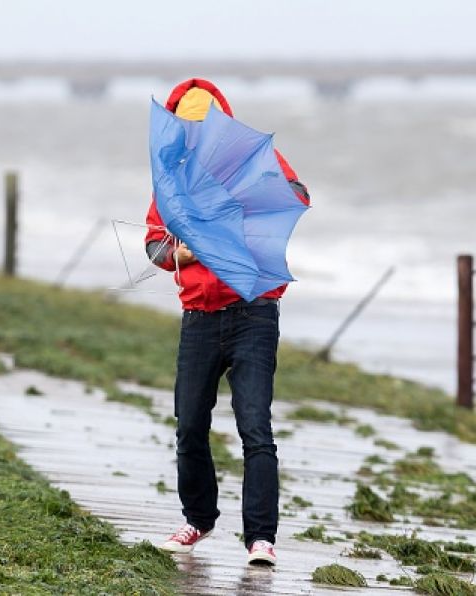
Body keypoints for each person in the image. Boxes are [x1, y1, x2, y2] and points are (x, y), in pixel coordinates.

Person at [144, 78, 310, 566]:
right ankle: (198, 520)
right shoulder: (170, 178)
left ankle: (261, 538)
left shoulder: (252, 162)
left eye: (206, 126)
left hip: (255, 312)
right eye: (188, 127)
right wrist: (187, 249)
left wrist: (246, 201)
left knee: (255, 426)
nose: (197, 136)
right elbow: (155, 246)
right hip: (198, 317)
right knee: (189, 425)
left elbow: (297, 194)